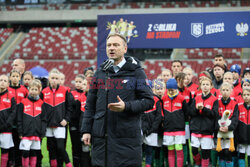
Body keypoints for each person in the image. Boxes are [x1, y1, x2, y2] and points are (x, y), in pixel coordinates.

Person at [81, 33, 154, 167]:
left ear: (125, 49)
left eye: (116, 45)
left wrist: (126, 106)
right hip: (102, 139)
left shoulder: (136, 72)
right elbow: (90, 104)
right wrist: (86, 130)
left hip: (127, 139)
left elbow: (149, 101)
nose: (111, 48)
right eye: (109, 45)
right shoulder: (100, 73)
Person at [41, 69, 72, 167]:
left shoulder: (65, 91)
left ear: (59, 80)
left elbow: (70, 107)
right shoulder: (43, 92)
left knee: (60, 147)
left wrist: (66, 119)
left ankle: (68, 164)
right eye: (52, 78)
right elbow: (41, 109)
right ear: (49, 79)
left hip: (60, 125)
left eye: (56, 78)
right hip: (49, 125)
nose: (54, 80)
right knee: (51, 149)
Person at [189, 77, 218, 167]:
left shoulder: (214, 100)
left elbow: (214, 114)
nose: (205, 86)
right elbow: (191, 113)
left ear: (211, 86)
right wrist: (197, 109)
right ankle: (198, 163)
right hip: (195, 129)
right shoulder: (196, 98)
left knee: (206, 153)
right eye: (203, 84)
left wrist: (204, 109)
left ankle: (204, 165)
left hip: (207, 130)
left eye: (207, 84)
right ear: (200, 86)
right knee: (194, 150)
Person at [17, 80, 46, 167]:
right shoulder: (23, 102)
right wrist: (20, 132)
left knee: (34, 152)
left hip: (36, 133)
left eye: (35, 89)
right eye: (32, 89)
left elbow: (44, 120)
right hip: (26, 133)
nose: (33, 91)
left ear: (39, 91)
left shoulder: (41, 103)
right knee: (25, 152)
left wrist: (42, 131)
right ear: (29, 89)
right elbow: (19, 119)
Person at [162, 78, 189, 167]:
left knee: (179, 149)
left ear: (176, 88)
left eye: (172, 90)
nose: (171, 92)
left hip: (179, 129)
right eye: (169, 90)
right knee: (170, 150)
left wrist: (182, 124)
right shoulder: (164, 98)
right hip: (168, 129)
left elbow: (186, 113)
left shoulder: (182, 98)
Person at [8, 69, 28, 167]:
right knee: (11, 144)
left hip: (21, 121)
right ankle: (11, 162)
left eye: (17, 76)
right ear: (10, 77)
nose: (15, 78)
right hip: (9, 121)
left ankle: (19, 163)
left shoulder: (24, 90)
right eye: (13, 76)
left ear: (20, 78)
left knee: (20, 143)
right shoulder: (7, 89)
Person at [215, 82, 238, 167]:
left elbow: (235, 118)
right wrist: (218, 127)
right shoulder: (217, 103)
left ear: (231, 91)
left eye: (227, 90)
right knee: (220, 152)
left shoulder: (234, 104)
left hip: (229, 133)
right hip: (219, 132)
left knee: (228, 153)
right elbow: (215, 117)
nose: (225, 92)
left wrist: (229, 128)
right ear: (220, 91)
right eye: (223, 90)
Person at [142, 79, 164, 167]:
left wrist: (152, 129)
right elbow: (139, 115)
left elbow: (159, 117)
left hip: (152, 130)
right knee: (140, 150)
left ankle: (148, 165)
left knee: (149, 150)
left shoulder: (156, 99)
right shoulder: (140, 99)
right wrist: (142, 128)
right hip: (141, 130)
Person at [70, 74, 91, 167]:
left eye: (81, 82)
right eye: (77, 82)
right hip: (78, 126)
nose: (79, 84)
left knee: (88, 148)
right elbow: (75, 114)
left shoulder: (93, 97)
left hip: (90, 127)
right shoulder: (76, 96)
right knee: (78, 147)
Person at [0, 74, 16, 167]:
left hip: (6, 128)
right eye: (1, 80)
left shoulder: (11, 97)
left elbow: (13, 113)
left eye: (5, 81)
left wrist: (6, 124)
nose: (2, 82)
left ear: (8, 84)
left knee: (5, 149)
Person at [237, 88, 250, 167]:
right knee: (241, 155)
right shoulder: (238, 107)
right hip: (241, 137)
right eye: (244, 95)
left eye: (248, 95)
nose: (246, 97)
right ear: (241, 96)